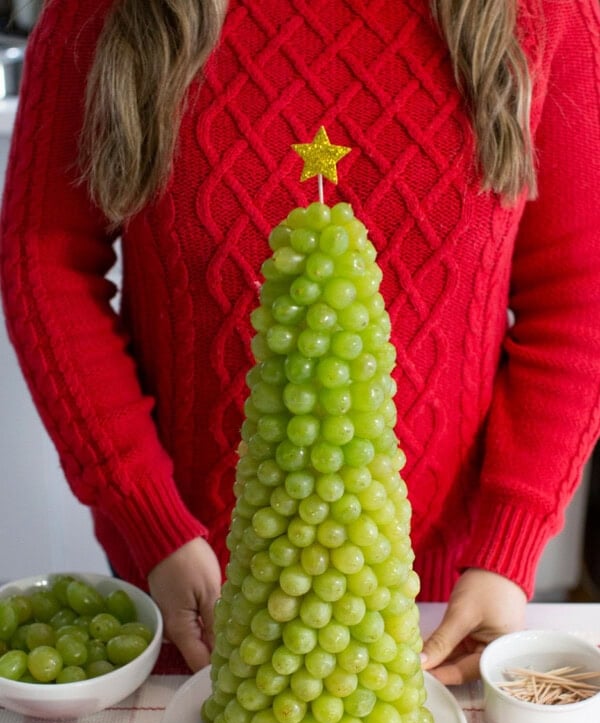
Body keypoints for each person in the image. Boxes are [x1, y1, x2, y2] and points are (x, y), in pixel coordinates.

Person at [1, 0, 599, 684]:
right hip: (183, 578)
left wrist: (507, 546)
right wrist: (147, 516)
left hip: (442, 597)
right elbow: (45, 261)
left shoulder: (546, 12)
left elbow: (577, 298)